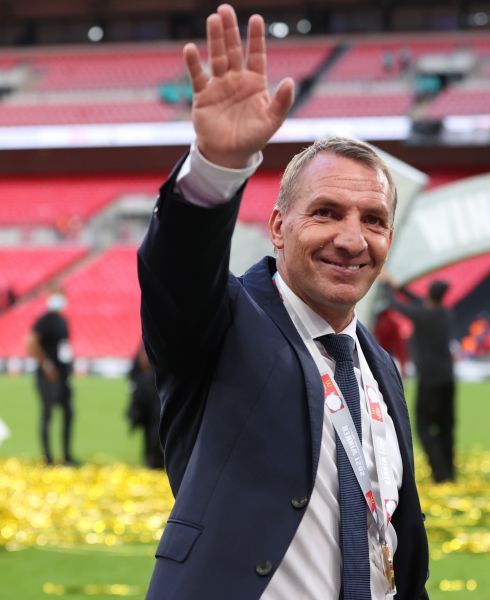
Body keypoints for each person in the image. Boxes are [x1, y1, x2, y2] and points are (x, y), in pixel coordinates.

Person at [137, 6, 428, 599]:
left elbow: (396, 541)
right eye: (325, 212)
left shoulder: (380, 369)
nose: (351, 239)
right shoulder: (223, 327)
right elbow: (177, 273)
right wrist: (216, 168)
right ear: (277, 226)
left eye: (373, 221)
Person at [382, 277, 456, 483]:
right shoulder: (445, 314)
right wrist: (401, 288)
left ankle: (439, 473)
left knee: (423, 426)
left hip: (429, 379)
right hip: (448, 378)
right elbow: (417, 301)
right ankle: (450, 472)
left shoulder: (423, 316)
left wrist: (387, 288)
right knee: (446, 427)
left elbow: (396, 306)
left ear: (429, 295)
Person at [25, 284, 76, 466]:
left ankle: (66, 456)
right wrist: (46, 365)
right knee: (47, 414)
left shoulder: (62, 320)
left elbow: (64, 347)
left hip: (63, 375)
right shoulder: (44, 320)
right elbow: (31, 342)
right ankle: (48, 458)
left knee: (69, 413)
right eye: (56, 295)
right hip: (48, 376)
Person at [126, 343, 163, 470]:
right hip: (147, 392)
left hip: (154, 391)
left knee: (155, 427)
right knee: (149, 427)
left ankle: (154, 458)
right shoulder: (146, 343)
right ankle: (151, 458)